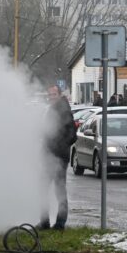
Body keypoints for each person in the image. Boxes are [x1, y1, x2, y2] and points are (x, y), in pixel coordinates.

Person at [39, 85, 77, 231]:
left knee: (58, 190)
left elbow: (72, 135)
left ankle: (59, 223)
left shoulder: (63, 111)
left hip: (58, 157)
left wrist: (58, 146)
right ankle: (44, 222)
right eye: (49, 95)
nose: (51, 97)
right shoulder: (53, 109)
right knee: (43, 188)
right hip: (49, 155)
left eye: (54, 94)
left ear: (60, 95)